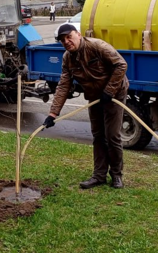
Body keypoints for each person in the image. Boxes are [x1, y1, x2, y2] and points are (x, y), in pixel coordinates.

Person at [43, 23, 129, 189]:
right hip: (95, 97)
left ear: (79, 34)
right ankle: (99, 176)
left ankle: (117, 175)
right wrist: (53, 114)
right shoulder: (68, 58)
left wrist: (110, 91)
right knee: (98, 135)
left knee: (112, 136)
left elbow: (121, 65)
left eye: (69, 37)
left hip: (114, 94)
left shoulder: (98, 46)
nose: (66, 41)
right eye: (62, 40)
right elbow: (63, 85)